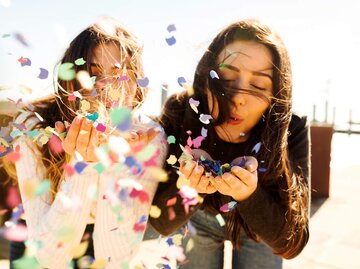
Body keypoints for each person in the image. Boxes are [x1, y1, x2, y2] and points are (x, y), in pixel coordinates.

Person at [2, 17, 167, 269]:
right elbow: (48, 259)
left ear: (138, 86)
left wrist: (115, 167)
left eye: (120, 74)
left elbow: (114, 261)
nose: (106, 88)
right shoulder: (33, 127)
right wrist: (83, 167)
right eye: (92, 73)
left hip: (107, 233)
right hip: (43, 228)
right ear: (70, 82)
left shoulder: (148, 137)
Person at [149, 18, 310, 269]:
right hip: (199, 216)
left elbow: (293, 241)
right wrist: (187, 190)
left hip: (260, 222)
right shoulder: (182, 110)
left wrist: (249, 195)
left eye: (258, 85)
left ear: (276, 96)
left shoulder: (291, 127)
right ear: (205, 78)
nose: (238, 99)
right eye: (225, 79)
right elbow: (160, 222)